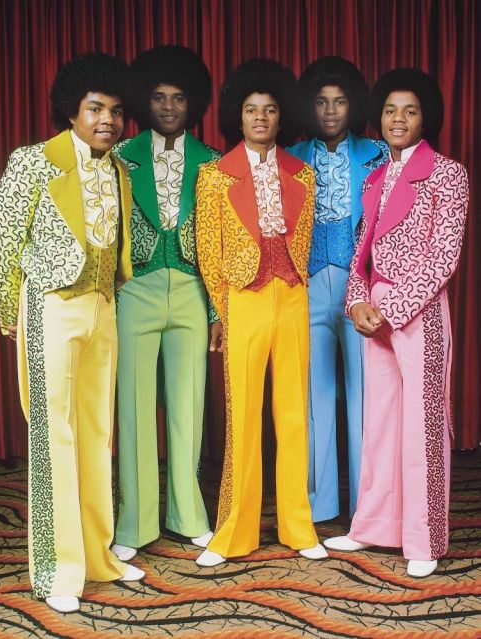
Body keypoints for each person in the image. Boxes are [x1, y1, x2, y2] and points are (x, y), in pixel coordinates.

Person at [0, 53, 145, 613]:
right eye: (96, 108)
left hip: (103, 306)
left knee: (97, 432)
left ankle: (98, 556)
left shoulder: (120, 170)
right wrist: (11, 311)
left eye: (117, 111)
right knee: (53, 437)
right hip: (50, 306)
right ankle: (58, 572)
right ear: (72, 111)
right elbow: (2, 242)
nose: (108, 119)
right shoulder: (34, 162)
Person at [324, 68, 469, 578]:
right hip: (375, 311)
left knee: (422, 423)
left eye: (409, 110)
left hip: (420, 312)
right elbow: (361, 251)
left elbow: (443, 257)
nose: (398, 119)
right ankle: (373, 527)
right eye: (390, 110)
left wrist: (394, 306)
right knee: (380, 422)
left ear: (425, 117)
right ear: (379, 118)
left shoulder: (448, 173)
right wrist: (359, 301)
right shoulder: (376, 176)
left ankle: (424, 538)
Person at [195, 58, 327, 567]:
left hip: (293, 295)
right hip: (244, 300)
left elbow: (304, 238)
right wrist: (223, 311)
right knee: (243, 417)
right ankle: (233, 532)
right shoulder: (214, 176)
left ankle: (299, 526)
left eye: (270, 109)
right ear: (239, 115)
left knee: (293, 415)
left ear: (280, 116)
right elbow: (209, 250)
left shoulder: (304, 174)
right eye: (252, 109)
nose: (261, 118)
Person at [111, 45, 220, 563]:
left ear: (193, 102)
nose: (169, 106)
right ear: (143, 100)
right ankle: (133, 523)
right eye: (158, 96)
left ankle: (187, 514)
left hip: (194, 290)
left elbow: (221, 244)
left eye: (178, 97)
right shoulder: (120, 157)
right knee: (133, 406)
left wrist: (218, 310)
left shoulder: (214, 163)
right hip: (137, 288)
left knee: (188, 406)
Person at [288, 57, 387, 522]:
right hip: (307, 285)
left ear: (354, 105)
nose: (330, 110)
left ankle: (366, 506)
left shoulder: (376, 154)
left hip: (360, 287)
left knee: (364, 396)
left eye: (340, 101)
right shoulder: (290, 158)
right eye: (322, 102)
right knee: (316, 396)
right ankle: (320, 504)